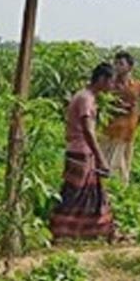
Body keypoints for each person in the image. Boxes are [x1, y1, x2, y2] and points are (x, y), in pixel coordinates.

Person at [50, 63, 116, 241]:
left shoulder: (86, 96)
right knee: (75, 194)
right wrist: (101, 158)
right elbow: (88, 130)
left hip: (81, 151)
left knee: (89, 194)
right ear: (102, 79)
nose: (112, 86)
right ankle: (62, 231)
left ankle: (86, 232)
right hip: (81, 153)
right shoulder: (86, 99)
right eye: (111, 82)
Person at [99, 51, 140, 184]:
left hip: (128, 134)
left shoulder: (137, 86)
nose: (117, 66)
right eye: (115, 63)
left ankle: (118, 195)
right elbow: (99, 101)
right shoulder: (109, 84)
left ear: (130, 67)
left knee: (123, 169)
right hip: (109, 132)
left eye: (121, 64)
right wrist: (114, 106)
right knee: (108, 169)